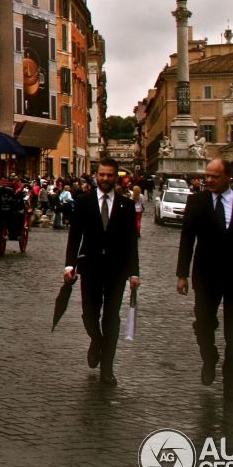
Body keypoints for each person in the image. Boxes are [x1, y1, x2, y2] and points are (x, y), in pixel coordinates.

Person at [177, 158, 233, 405]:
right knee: (204, 324)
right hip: (205, 277)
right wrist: (181, 274)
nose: (209, 180)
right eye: (207, 175)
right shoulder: (196, 202)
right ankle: (209, 357)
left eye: (215, 176)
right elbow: (187, 239)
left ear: (229, 176)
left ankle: (232, 387)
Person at [64, 159, 140, 387]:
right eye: (102, 175)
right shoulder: (84, 202)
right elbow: (74, 236)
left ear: (116, 177)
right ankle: (96, 340)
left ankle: (108, 368)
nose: (106, 179)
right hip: (91, 267)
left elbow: (131, 242)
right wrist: (69, 265)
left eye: (110, 175)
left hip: (116, 270)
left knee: (111, 318)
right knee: (89, 314)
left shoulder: (126, 205)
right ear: (96, 176)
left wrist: (134, 272)